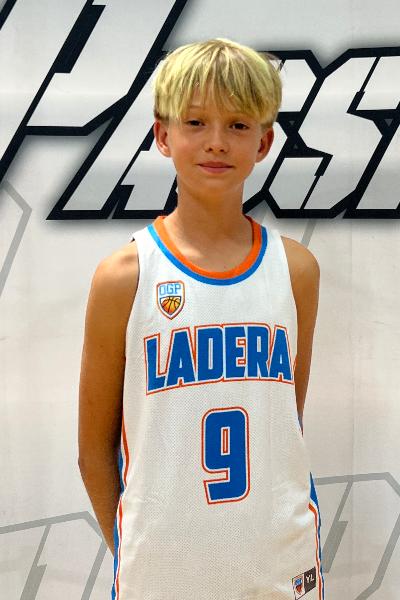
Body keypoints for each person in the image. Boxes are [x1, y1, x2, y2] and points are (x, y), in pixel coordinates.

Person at [78, 38, 323, 600]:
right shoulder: (124, 277)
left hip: (278, 562)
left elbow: (286, 422)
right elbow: (93, 451)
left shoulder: (296, 270)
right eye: (195, 122)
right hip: (160, 570)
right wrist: (136, 548)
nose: (216, 141)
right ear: (163, 135)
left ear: (264, 142)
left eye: (238, 125)